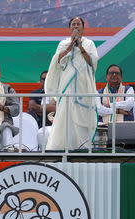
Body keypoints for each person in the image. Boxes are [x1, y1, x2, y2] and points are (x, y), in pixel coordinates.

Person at [44, 16, 98, 150]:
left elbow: (92, 62)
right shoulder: (63, 43)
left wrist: (80, 46)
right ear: (69, 28)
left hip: (83, 86)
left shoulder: (89, 43)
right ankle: (62, 147)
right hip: (66, 86)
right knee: (66, 116)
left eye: (78, 24)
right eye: (73, 24)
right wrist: (70, 46)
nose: (75, 26)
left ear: (83, 28)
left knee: (82, 116)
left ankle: (83, 147)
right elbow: (57, 60)